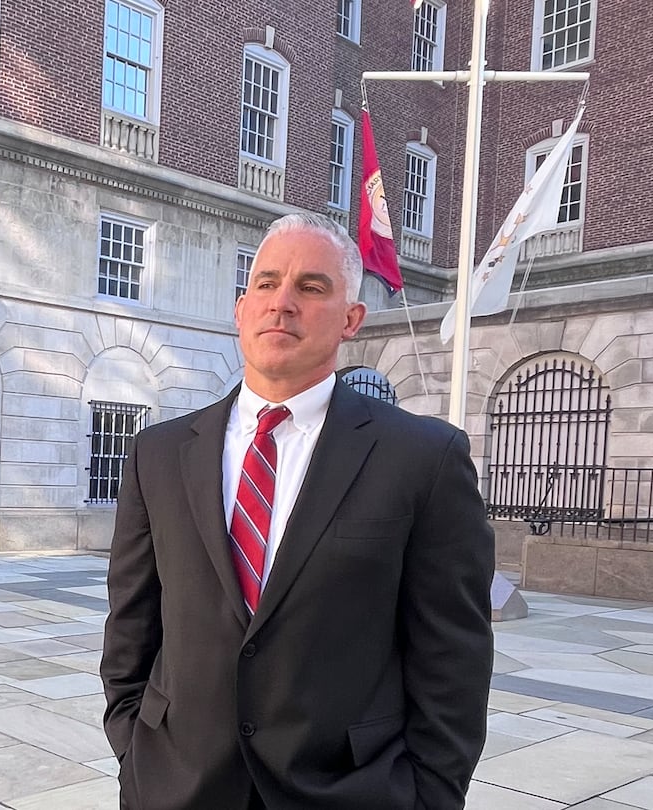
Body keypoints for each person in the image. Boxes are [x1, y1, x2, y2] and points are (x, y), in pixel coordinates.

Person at [101, 212, 494, 809]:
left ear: (350, 320)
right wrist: (135, 751)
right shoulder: (157, 453)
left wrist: (428, 796)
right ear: (240, 309)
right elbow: (131, 627)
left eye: (311, 287)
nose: (282, 302)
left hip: (347, 792)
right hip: (176, 787)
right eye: (266, 283)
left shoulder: (423, 459)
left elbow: (453, 659)